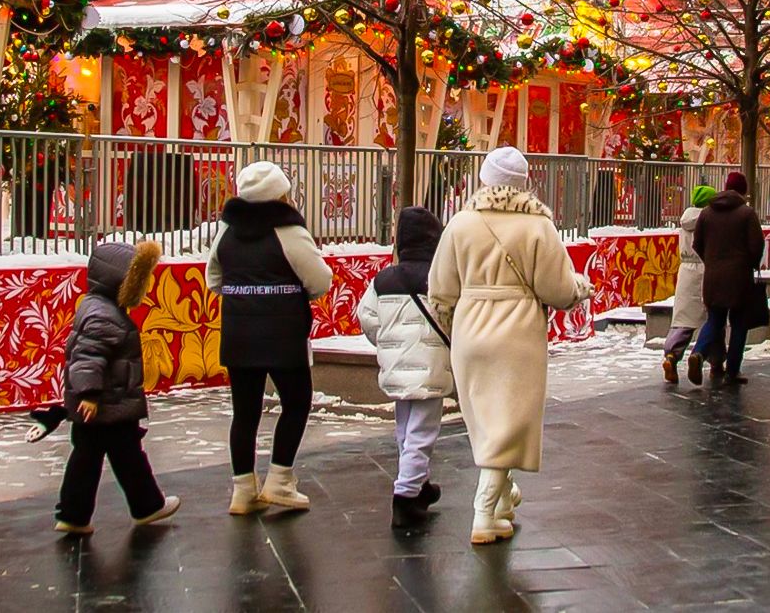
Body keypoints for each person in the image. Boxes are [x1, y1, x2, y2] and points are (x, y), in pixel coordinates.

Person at [429, 146, 592, 545]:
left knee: (486, 421)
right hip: (518, 333)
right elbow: (557, 289)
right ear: (523, 185)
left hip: (469, 328)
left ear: (485, 179)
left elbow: (440, 289)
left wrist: (455, 324)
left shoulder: (461, 224)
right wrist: (580, 290)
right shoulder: (538, 227)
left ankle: (502, 504)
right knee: (509, 424)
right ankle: (483, 513)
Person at [210, 160, 334, 515]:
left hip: (237, 330)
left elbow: (213, 277)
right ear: (281, 193)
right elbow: (319, 279)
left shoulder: (226, 231)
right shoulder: (288, 231)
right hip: (283, 330)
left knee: (244, 413)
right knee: (296, 402)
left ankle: (243, 490)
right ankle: (280, 480)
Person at [53, 240, 181, 534]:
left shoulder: (101, 307)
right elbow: (87, 357)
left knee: (94, 458)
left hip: (108, 403)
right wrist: (90, 394)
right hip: (107, 403)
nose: (145, 286)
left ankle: (75, 515)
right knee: (120, 458)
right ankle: (144, 507)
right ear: (121, 281)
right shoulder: (104, 315)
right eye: (139, 280)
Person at [356, 207, 453, 528]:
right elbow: (455, 318)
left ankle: (418, 483)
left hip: (397, 367)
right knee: (423, 432)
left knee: (405, 428)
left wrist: (388, 342)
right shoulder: (440, 279)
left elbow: (366, 316)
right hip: (431, 368)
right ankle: (406, 495)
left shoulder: (384, 279)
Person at [694, 171, 769, 387]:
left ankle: (699, 353)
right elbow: (757, 246)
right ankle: (732, 372)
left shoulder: (707, 213)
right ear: (743, 190)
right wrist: (750, 263)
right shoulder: (746, 214)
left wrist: (711, 261)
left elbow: (697, 243)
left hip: (713, 277)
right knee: (739, 325)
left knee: (715, 320)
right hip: (739, 279)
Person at [662, 185, 718, 385]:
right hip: (707, 269)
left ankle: (671, 356)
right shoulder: (711, 221)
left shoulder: (684, 221)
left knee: (683, 319)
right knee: (713, 319)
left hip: (686, 271)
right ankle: (711, 359)